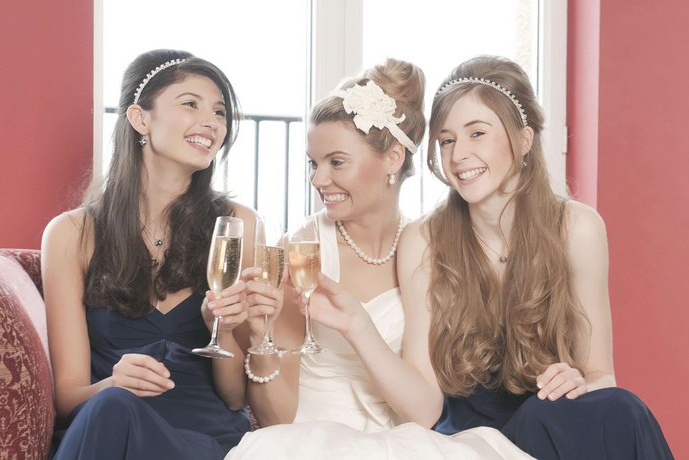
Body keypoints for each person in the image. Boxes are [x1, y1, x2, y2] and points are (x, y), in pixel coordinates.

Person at [226, 59, 532, 459]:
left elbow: (424, 411)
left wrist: (358, 327)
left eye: (336, 162)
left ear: (392, 158)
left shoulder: (425, 248)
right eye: (313, 164)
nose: (318, 179)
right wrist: (258, 335)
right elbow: (276, 419)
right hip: (309, 443)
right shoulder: (301, 251)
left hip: (404, 444)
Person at [398, 55, 673, 459]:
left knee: (619, 407)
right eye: (447, 140)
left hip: (551, 425)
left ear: (524, 140)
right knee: (550, 417)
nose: (457, 156)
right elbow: (422, 398)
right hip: (468, 441)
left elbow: (601, 375)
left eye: (477, 133)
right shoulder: (423, 239)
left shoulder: (577, 228)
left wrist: (577, 382)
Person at [42, 49, 256, 460]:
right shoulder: (72, 234)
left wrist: (224, 329)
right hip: (110, 427)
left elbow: (235, 398)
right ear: (140, 119)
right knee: (112, 406)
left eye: (219, 112)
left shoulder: (236, 226)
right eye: (190, 104)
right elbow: (69, 397)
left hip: (203, 438)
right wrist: (112, 384)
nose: (211, 122)